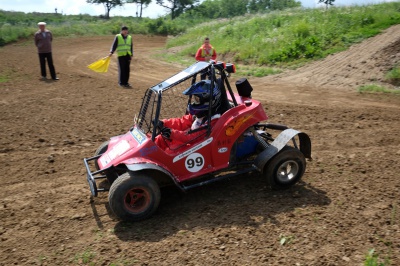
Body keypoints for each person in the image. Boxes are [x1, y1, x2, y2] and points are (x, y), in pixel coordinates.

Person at [155, 80, 222, 152]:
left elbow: (193, 137)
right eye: (195, 99)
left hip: (197, 148)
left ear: (209, 101)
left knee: (170, 151)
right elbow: (182, 122)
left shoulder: (213, 121)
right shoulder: (199, 115)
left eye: (197, 100)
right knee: (160, 139)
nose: (194, 103)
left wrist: (172, 133)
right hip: (189, 143)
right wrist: (164, 123)